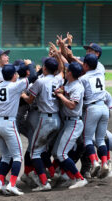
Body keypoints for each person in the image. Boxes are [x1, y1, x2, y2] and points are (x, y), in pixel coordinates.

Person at [22, 57, 63, 191]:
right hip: (57, 120)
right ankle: (52, 173)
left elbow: (29, 100)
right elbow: (62, 69)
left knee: (34, 153)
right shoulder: (58, 79)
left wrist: (22, 95)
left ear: (44, 68)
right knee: (43, 149)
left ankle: (44, 183)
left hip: (46, 120)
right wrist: (60, 53)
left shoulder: (40, 82)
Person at [0, 64, 29, 196]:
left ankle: (0, 182)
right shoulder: (14, 86)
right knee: (17, 157)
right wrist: (29, 65)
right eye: (15, 73)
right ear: (13, 75)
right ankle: (12, 185)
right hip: (8, 124)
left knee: (6, 156)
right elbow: (33, 77)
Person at [53, 62, 88, 189]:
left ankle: (80, 178)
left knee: (62, 154)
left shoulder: (77, 87)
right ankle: (68, 176)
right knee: (56, 153)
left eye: (67, 70)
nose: (65, 72)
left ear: (71, 73)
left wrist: (60, 95)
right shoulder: (68, 83)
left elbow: (72, 105)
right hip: (67, 123)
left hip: (74, 123)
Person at [80, 54, 109, 178]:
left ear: (86, 65)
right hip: (104, 108)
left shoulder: (83, 78)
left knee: (87, 139)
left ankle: (94, 162)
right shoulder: (101, 74)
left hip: (92, 109)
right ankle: (105, 163)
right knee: (100, 140)